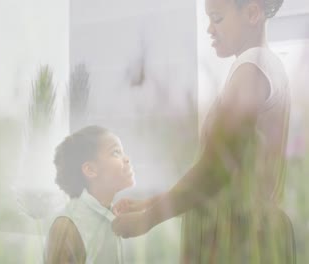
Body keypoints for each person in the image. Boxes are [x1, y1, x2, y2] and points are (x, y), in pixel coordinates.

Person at [112, 0, 296, 263]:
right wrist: (150, 202)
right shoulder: (260, 66)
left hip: (238, 240)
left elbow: (214, 170)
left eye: (217, 18)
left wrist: (146, 220)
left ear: (252, 13)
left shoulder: (252, 68)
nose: (209, 29)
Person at [45, 126, 135, 264]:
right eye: (116, 153)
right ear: (90, 170)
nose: (127, 159)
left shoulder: (113, 215)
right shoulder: (66, 225)